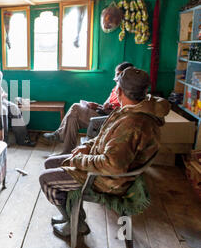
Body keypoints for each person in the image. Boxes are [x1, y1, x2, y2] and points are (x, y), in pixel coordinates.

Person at [38, 67, 170, 238]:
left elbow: (112, 165)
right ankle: (73, 215)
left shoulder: (133, 123)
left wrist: (79, 160)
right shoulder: (133, 109)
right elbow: (105, 137)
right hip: (102, 165)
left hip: (106, 179)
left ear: (120, 90)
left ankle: (75, 222)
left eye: (117, 87)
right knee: (50, 163)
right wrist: (86, 147)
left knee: (45, 179)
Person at [43, 62, 134, 154]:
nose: (115, 78)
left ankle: (60, 136)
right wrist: (97, 106)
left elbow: (122, 114)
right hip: (103, 113)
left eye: (119, 75)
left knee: (75, 110)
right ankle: (66, 149)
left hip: (107, 120)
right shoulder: (116, 88)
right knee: (72, 117)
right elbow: (106, 105)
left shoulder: (128, 92)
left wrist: (106, 108)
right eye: (116, 74)